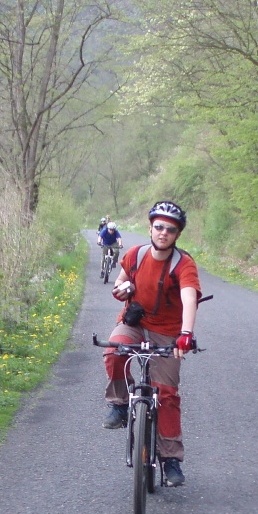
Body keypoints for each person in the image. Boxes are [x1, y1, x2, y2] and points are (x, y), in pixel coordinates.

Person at [101, 200, 200, 487]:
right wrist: (121, 290)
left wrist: (186, 333)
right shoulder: (136, 254)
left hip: (168, 332)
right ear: (150, 228)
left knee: (166, 394)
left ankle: (170, 459)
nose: (163, 233)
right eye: (159, 227)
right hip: (135, 324)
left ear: (177, 234)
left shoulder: (183, 264)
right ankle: (120, 404)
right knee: (114, 350)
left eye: (170, 229)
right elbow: (120, 283)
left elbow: (189, 298)